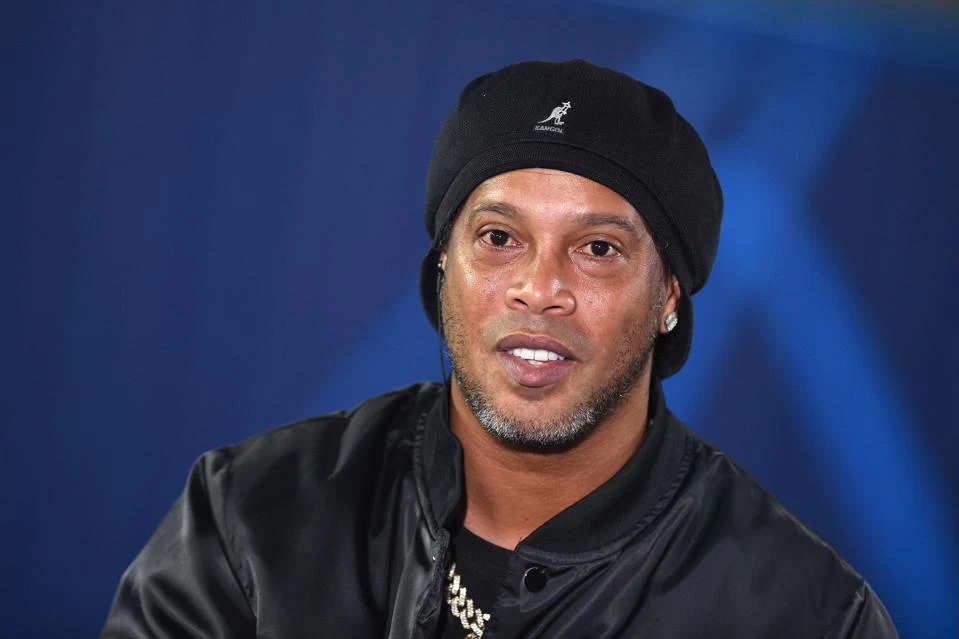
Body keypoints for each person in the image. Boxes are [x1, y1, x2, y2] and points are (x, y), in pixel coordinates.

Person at [102, 59, 898, 638]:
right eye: (497, 237)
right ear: (442, 268)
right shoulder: (250, 516)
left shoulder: (803, 612)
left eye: (597, 249)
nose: (538, 288)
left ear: (667, 297)